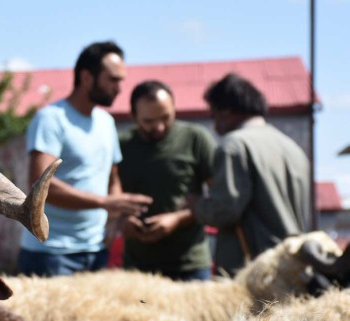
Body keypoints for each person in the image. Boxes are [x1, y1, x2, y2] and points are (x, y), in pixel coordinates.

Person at [18, 41, 152, 277]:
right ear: (87, 77)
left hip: (96, 250)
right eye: (113, 79)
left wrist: (117, 216)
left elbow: (112, 179)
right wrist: (105, 203)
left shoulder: (107, 122)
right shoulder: (51, 119)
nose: (119, 88)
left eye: (121, 80)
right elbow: (41, 185)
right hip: (51, 253)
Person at [190, 73, 310, 276]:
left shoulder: (234, 146)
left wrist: (196, 205)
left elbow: (224, 211)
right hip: (294, 266)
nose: (214, 124)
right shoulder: (292, 148)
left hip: (255, 274)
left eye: (213, 115)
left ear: (225, 112)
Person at [118, 80, 217, 281]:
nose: (159, 127)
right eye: (148, 121)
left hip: (189, 266)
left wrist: (178, 218)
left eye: (166, 117)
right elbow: (109, 197)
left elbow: (220, 196)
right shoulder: (121, 146)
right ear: (134, 116)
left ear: (174, 108)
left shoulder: (196, 139)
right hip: (138, 268)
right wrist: (122, 221)